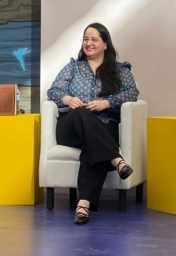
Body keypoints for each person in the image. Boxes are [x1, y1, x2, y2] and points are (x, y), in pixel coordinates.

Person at [47, 23, 139, 225]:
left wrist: (107, 103)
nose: (88, 43)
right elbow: (53, 91)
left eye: (94, 39)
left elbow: (132, 93)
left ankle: (83, 205)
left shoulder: (119, 70)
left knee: (93, 145)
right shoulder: (74, 67)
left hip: (103, 126)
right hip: (71, 127)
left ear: (105, 44)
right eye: (85, 39)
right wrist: (67, 99)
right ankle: (116, 159)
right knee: (81, 113)